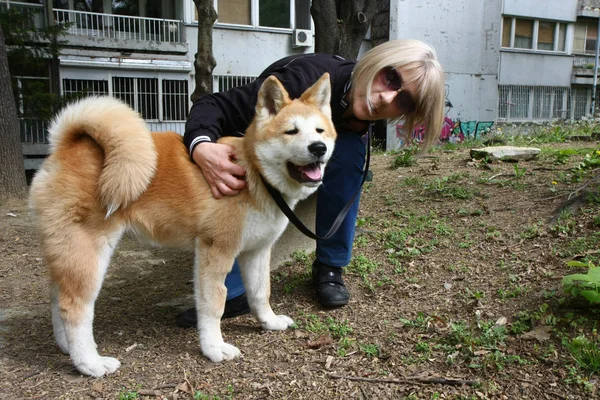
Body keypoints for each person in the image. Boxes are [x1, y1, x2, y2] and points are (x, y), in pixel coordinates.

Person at [177, 39, 445, 328]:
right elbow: (213, 104)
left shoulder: (358, 117)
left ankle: (330, 266)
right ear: (375, 62)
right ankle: (235, 290)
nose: (387, 99)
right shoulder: (300, 79)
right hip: (247, 155)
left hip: (298, 168)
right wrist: (201, 146)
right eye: (391, 78)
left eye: (404, 101)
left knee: (352, 153)